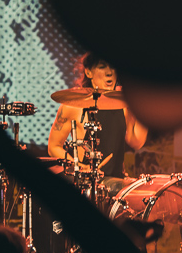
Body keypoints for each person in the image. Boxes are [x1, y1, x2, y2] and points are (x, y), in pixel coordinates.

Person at [47, 54, 148, 190]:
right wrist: (79, 167)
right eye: (102, 67)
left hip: (116, 180)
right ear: (89, 72)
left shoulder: (123, 103)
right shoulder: (73, 105)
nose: (109, 72)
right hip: (86, 182)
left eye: (113, 67)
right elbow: (53, 146)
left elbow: (136, 142)